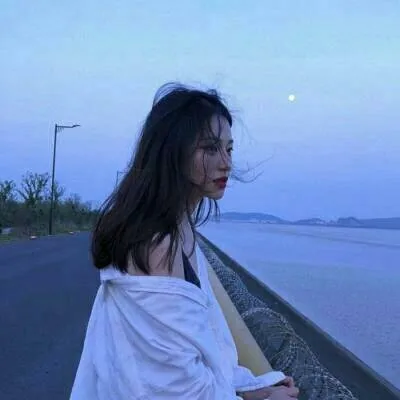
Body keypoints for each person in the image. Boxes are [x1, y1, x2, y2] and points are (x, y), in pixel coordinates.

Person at [70, 83, 299, 399]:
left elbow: (196, 350)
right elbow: (172, 387)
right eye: (210, 149)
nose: (226, 162)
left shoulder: (180, 228)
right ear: (172, 152)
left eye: (229, 149)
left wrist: (251, 388)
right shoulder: (158, 244)